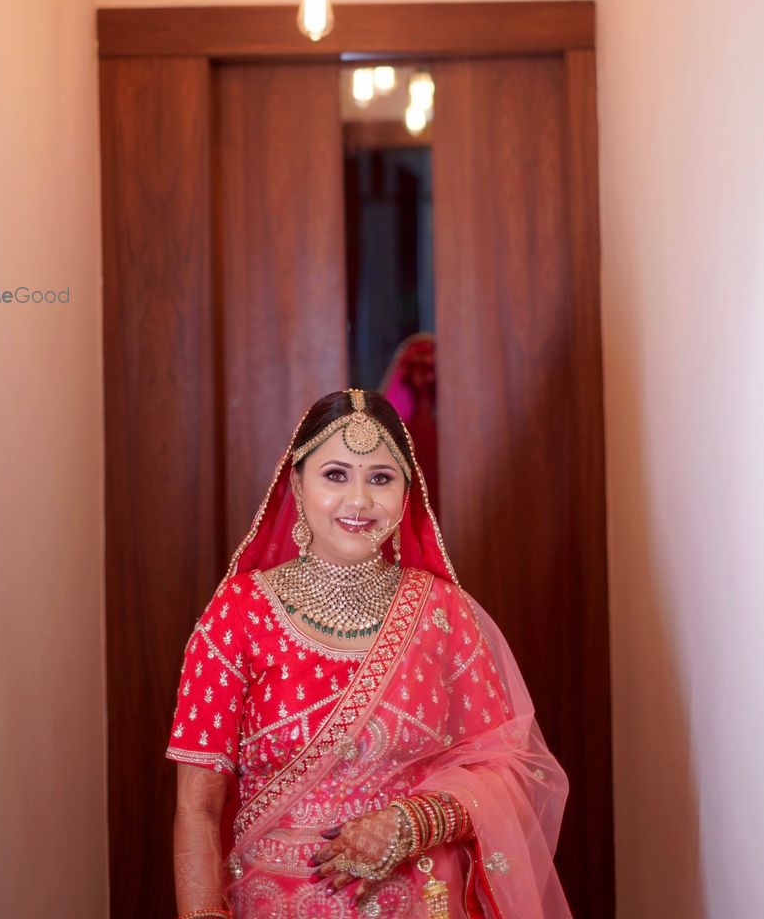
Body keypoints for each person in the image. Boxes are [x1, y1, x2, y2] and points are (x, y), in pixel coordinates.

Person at [166, 389, 572, 918]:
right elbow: (197, 805)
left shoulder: (441, 613)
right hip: (271, 903)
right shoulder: (237, 615)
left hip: (420, 902)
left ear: (406, 493)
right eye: (335, 475)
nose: (358, 500)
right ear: (296, 484)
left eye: (381, 478)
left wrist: (412, 823)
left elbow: (513, 770)